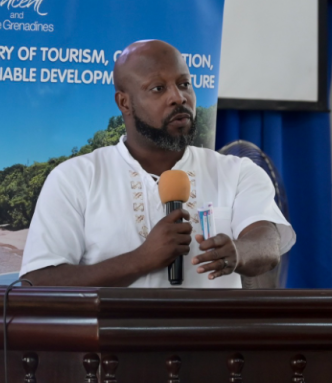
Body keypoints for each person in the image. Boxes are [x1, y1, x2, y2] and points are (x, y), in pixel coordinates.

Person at [20, 40, 295, 288]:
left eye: (184, 84)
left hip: (208, 331)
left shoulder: (236, 172)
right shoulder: (74, 178)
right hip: (113, 331)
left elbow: (267, 243)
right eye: (158, 88)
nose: (178, 97)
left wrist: (238, 252)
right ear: (124, 103)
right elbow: (38, 281)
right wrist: (141, 259)